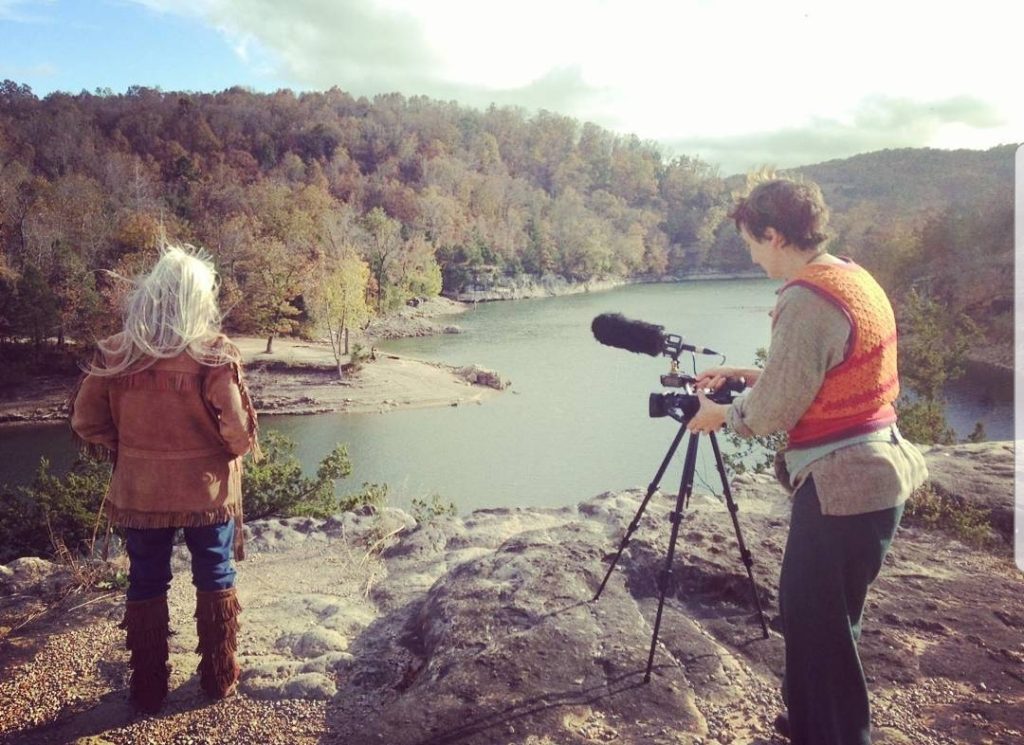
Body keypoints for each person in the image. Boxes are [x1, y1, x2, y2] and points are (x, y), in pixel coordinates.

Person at [686, 177, 927, 745]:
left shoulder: (807, 297)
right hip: (878, 472)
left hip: (845, 481)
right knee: (830, 618)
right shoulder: (850, 275)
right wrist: (751, 375)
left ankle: (834, 735)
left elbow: (772, 410)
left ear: (774, 234)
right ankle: (813, 722)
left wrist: (720, 414)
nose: (749, 253)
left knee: (814, 622)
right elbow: (828, 370)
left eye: (751, 241)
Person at [70, 244, 260, 713]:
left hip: (140, 491)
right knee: (215, 573)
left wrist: (135, 453)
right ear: (199, 300)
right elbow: (237, 431)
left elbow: (85, 421)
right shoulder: (213, 354)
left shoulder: (116, 351)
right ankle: (217, 678)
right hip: (206, 492)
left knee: (146, 579)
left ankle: (148, 686)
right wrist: (228, 452)